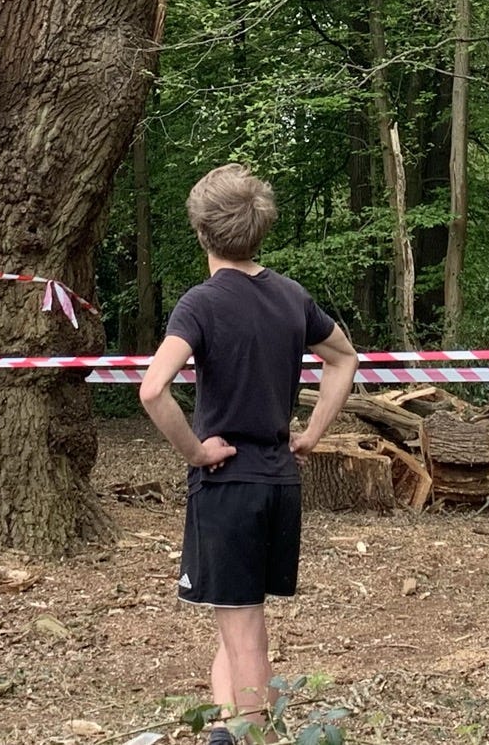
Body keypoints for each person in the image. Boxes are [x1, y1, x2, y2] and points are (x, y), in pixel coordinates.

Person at [138, 165, 361, 745]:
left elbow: (153, 389)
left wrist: (194, 451)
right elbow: (344, 359)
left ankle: (253, 735)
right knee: (233, 616)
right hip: (280, 485)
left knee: (246, 633)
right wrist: (309, 433)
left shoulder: (201, 303)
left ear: (201, 233)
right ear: (261, 230)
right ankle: (224, 731)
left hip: (228, 486)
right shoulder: (292, 297)